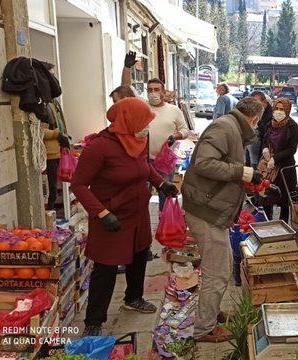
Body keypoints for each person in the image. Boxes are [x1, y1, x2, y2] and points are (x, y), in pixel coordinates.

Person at [70, 98, 178, 336]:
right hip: (111, 217)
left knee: (139, 256)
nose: (146, 128)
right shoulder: (99, 147)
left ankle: (134, 298)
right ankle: (94, 321)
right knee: (106, 268)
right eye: (143, 122)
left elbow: (144, 165)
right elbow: (78, 185)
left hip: (137, 212)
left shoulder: (139, 138)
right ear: (127, 121)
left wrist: (161, 183)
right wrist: (101, 213)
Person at [181, 98, 265, 343]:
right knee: (216, 272)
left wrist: (247, 181)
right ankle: (204, 329)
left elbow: (224, 168)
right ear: (255, 118)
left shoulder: (232, 128)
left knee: (222, 264)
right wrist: (242, 172)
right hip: (206, 210)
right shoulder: (225, 128)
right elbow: (205, 164)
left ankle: (212, 311)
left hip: (212, 209)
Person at [146, 78, 189, 210]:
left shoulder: (174, 110)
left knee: (165, 193)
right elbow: (127, 89)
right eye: (150, 90)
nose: (153, 93)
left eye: (156, 90)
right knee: (141, 194)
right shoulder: (142, 107)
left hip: (164, 160)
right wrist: (127, 68)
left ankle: (165, 223)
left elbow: (185, 130)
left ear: (163, 92)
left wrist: (175, 136)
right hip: (143, 159)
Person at [261, 98, 298, 223]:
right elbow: (264, 140)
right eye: (277, 109)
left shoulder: (293, 126)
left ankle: (283, 225)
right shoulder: (270, 124)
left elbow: (292, 149)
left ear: (287, 110)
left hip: (285, 168)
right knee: (266, 196)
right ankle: (266, 222)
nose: (278, 112)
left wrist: (276, 158)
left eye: (282, 109)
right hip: (269, 168)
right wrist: (265, 150)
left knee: (284, 200)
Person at [40, 62, 70, 211]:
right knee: (50, 190)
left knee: (59, 185)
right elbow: (38, 131)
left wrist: (65, 136)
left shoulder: (54, 101)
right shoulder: (41, 102)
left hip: (59, 150)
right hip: (49, 153)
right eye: (50, 76)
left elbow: (60, 123)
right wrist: (57, 135)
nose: (54, 80)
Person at [248, 90, 274, 169]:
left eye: (256, 102)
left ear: (265, 102)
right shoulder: (256, 112)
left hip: (264, 153)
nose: (254, 105)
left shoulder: (272, 116)